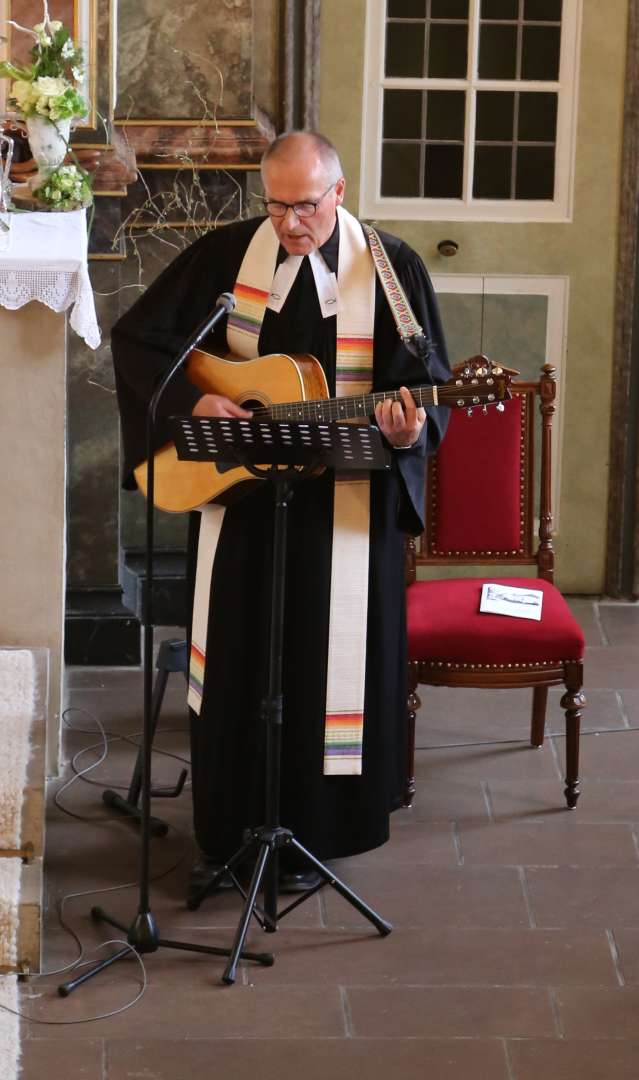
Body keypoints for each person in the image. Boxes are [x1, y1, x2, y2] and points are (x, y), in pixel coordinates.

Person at [111, 131, 451, 896]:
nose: (290, 223)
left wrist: (409, 428)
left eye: (305, 205)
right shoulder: (229, 253)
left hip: (343, 505)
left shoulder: (392, 270)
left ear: (338, 192)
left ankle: (323, 832)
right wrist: (198, 399)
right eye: (276, 203)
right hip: (241, 503)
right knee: (240, 658)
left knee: (325, 661)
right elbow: (140, 341)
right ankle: (230, 828)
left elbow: (422, 384)